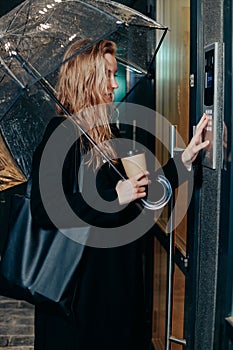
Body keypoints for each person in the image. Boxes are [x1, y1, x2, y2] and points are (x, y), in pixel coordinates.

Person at [30, 38, 209, 350]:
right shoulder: (62, 133)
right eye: (109, 74)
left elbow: (139, 186)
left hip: (115, 284)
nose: (115, 84)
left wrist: (185, 159)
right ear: (88, 79)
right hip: (83, 298)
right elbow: (45, 211)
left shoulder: (104, 133)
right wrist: (114, 197)